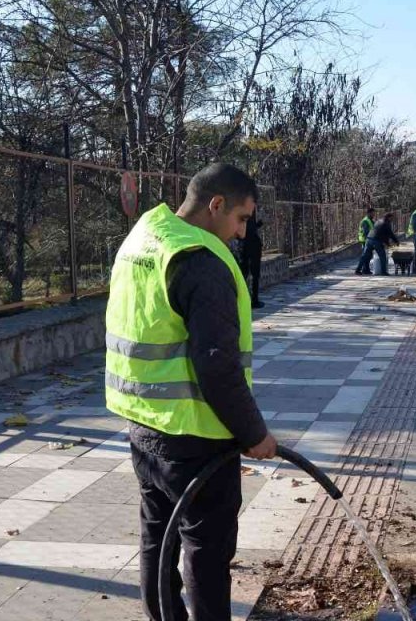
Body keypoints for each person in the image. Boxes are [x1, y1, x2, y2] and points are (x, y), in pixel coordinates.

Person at [105, 163, 277, 621]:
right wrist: (254, 433)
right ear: (215, 205)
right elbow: (217, 365)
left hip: (143, 425)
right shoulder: (202, 260)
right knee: (206, 552)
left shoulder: (144, 237)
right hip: (196, 437)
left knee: (157, 542)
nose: (242, 233)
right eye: (241, 219)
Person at [239, 211, 264, 309]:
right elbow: (250, 228)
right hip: (251, 245)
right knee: (254, 274)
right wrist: (258, 225)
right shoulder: (248, 209)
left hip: (244, 244)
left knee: (244, 274)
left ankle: (246, 299)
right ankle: (254, 300)